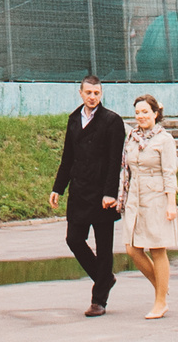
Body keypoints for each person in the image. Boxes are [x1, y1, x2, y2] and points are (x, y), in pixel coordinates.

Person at [47, 75, 126, 316]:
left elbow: (115, 162)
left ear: (101, 95)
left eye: (97, 93)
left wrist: (109, 193)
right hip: (79, 191)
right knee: (73, 239)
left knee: (104, 248)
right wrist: (58, 188)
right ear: (80, 93)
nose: (92, 97)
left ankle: (98, 301)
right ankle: (104, 278)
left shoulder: (112, 121)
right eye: (89, 93)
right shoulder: (73, 119)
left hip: (103, 195)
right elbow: (67, 158)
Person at [118, 93, 178, 320]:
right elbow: (126, 170)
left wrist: (171, 203)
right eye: (137, 113)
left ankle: (160, 301)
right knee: (132, 249)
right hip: (135, 198)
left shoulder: (165, 140)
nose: (141, 116)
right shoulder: (132, 138)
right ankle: (161, 287)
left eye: (145, 112)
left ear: (156, 114)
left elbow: (169, 173)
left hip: (156, 198)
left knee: (157, 249)